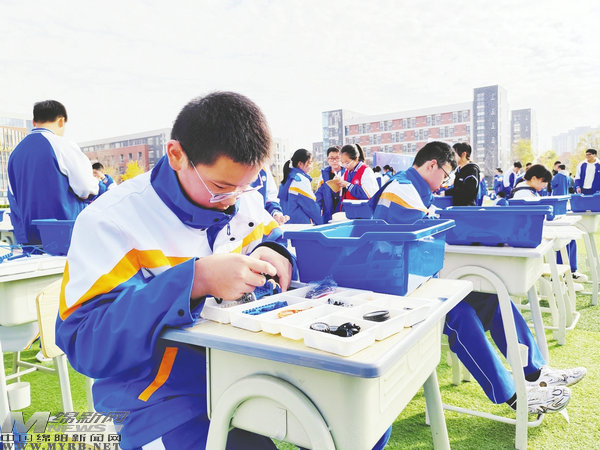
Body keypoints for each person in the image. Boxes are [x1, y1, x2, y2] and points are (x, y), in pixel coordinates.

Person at [55, 92, 300, 450]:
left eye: (247, 185)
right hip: (155, 398)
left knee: (350, 425)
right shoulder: (110, 221)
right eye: (220, 187)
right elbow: (87, 342)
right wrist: (195, 280)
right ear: (176, 155)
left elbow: (275, 238)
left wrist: (275, 252)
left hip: (243, 373)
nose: (232, 199)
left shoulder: (243, 197)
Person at [371, 142, 586, 414]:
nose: (444, 183)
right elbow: (431, 232)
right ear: (432, 165)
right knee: (460, 314)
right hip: (398, 288)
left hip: (416, 278)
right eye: (445, 175)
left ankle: (534, 372)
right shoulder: (402, 189)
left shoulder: (414, 187)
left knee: (492, 299)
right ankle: (513, 395)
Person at [7, 100, 100, 246]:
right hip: (65, 235)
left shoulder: (15, 153)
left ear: (34, 122)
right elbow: (86, 188)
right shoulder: (61, 144)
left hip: (31, 241)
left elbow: (13, 197)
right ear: (61, 121)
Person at [278, 148, 322, 225]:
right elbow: (311, 206)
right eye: (309, 163)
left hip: (287, 225)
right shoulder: (300, 180)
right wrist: (321, 221)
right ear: (300, 164)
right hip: (302, 225)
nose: (311, 166)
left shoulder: (287, 179)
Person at [333, 144, 379, 210]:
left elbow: (367, 195)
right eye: (342, 163)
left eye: (347, 162)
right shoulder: (347, 172)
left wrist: (348, 185)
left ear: (356, 159)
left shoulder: (366, 171)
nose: (345, 165)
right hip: (348, 211)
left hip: (361, 211)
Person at [315, 146, 345, 223]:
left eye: (337, 158)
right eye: (331, 158)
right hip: (327, 215)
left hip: (343, 215)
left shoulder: (346, 173)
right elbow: (319, 197)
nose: (334, 161)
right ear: (327, 159)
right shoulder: (323, 176)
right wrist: (316, 215)